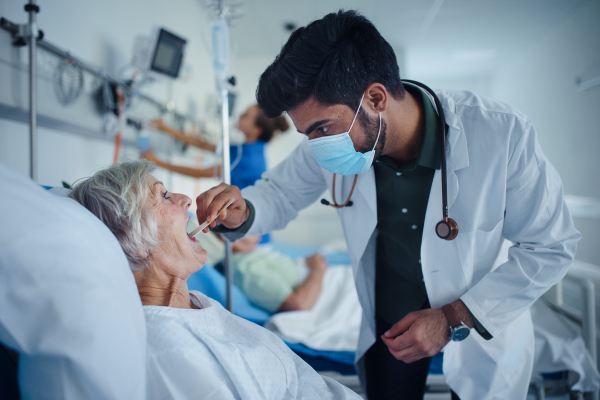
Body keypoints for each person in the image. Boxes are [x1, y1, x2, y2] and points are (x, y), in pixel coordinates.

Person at [194, 10, 581, 400]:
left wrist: (451, 318)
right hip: (389, 331)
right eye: (307, 133)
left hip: (479, 327)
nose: (314, 145)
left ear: (376, 98)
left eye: (321, 128)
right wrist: (244, 210)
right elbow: (279, 193)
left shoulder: (499, 133)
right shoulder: (334, 141)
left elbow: (551, 247)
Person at [68, 160, 360, 400]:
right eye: (164, 196)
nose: (186, 201)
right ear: (134, 242)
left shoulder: (198, 306)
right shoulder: (166, 353)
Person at [143, 104, 289, 244]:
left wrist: (156, 161)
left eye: (245, 116)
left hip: (252, 240)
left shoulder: (247, 158)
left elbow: (198, 173)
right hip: (245, 229)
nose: (239, 116)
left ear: (256, 130)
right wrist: (165, 128)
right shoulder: (247, 147)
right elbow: (203, 145)